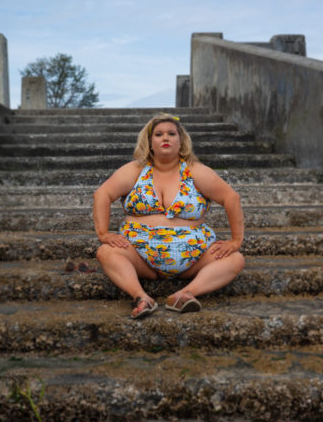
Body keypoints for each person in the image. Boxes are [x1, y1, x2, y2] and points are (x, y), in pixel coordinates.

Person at [93, 113, 245, 319]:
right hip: (141, 257)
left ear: (181, 141)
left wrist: (236, 241)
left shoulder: (195, 171)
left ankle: (185, 294)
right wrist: (103, 233)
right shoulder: (135, 170)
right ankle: (141, 297)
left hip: (194, 257)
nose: (165, 138)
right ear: (149, 142)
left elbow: (231, 198)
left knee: (235, 260)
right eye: (159, 134)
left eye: (172, 134)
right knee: (105, 252)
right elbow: (102, 194)